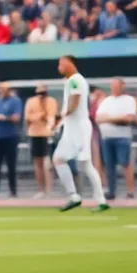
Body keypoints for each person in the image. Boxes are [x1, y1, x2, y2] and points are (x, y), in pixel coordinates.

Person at [51, 57, 108, 213]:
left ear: (70, 64)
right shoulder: (74, 80)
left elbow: (74, 101)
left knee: (77, 162)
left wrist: (61, 114)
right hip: (73, 127)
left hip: (78, 128)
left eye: (61, 64)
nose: (59, 67)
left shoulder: (74, 80)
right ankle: (82, 197)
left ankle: (80, 196)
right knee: (66, 160)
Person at [95, 79, 137, 201]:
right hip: (106, 138)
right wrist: (117, 119)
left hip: (122, 137)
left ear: (122, 86)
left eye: (116, 85)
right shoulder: (106, 101)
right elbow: (98, 119)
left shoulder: (129, 100)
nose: (114, 88)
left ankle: (130, 191)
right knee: (109, 165)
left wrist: (109, 119)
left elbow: (129, 118)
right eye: (112, 86)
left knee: (125, 163)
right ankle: (111, 191)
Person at [0, 82, 23, 199]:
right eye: (0, 89)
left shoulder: (15, 101)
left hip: (11, 137)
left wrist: (3, 117)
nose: (2, 92)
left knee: (11, 165)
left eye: (4, 89)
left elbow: (16, 118)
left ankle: (13, 190)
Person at [25, 84, 58, 198]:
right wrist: (38, 116)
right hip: (35, 134)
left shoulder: (51, 102)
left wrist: (40, 114)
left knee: (47, 163)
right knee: (37, 163)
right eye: (39, 93)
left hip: (47, 134)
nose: (41, 96)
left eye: (43, 93)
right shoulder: (31, 101)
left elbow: (50, 117)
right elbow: (28, 118)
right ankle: (41, 189)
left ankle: (49, 188)